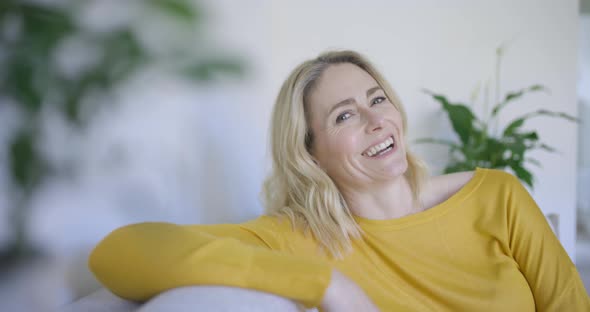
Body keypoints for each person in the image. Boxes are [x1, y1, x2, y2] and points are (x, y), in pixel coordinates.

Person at [89, 50, 590, 311]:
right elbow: (118, 252)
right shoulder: (296, 240)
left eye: (377, 99)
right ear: (310, 154)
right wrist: (329, 285)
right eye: (344, 117)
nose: (376, 122)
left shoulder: (497, 197)